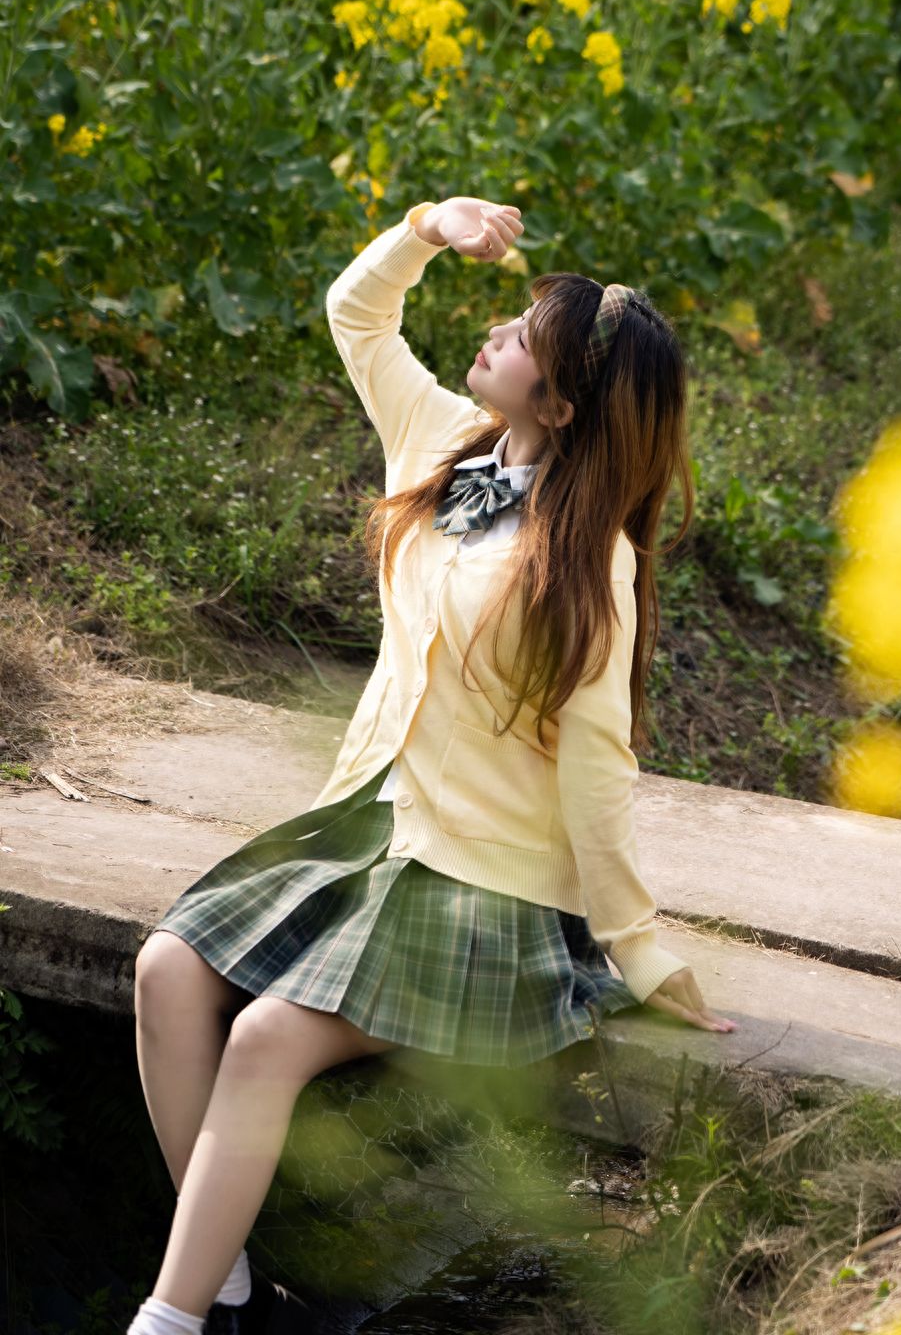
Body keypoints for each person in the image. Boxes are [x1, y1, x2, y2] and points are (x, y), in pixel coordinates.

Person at [127, 194, 737, 1335]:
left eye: (519, 339)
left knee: (263, 1038)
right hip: (373, 821)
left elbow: (598, 766)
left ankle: (165, 1322)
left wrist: (639, 950)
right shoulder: (443, 447)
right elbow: (355, 317)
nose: (493, 335)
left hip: (488, 885)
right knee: (166, 970)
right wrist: (424, 228)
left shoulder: (587, 557)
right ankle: (228, 1287)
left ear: (558, 402)